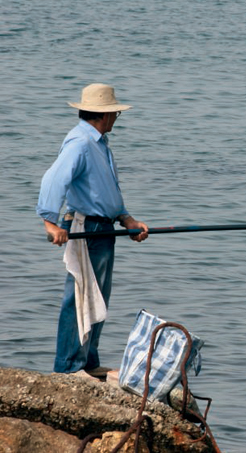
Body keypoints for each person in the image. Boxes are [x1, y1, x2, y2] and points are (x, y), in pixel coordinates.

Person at [37, 83, 150, 376]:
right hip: (86, 227)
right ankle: (68, 369)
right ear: (105, 115)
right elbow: (54, 179)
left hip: (104, 228)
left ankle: (88, 362)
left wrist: (127, 220)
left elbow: (105, 191)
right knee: (79, 296)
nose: (116, 119)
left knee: (97, 297)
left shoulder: (99, 143)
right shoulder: (81, 143)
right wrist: (50, 221)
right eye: (115, 114)